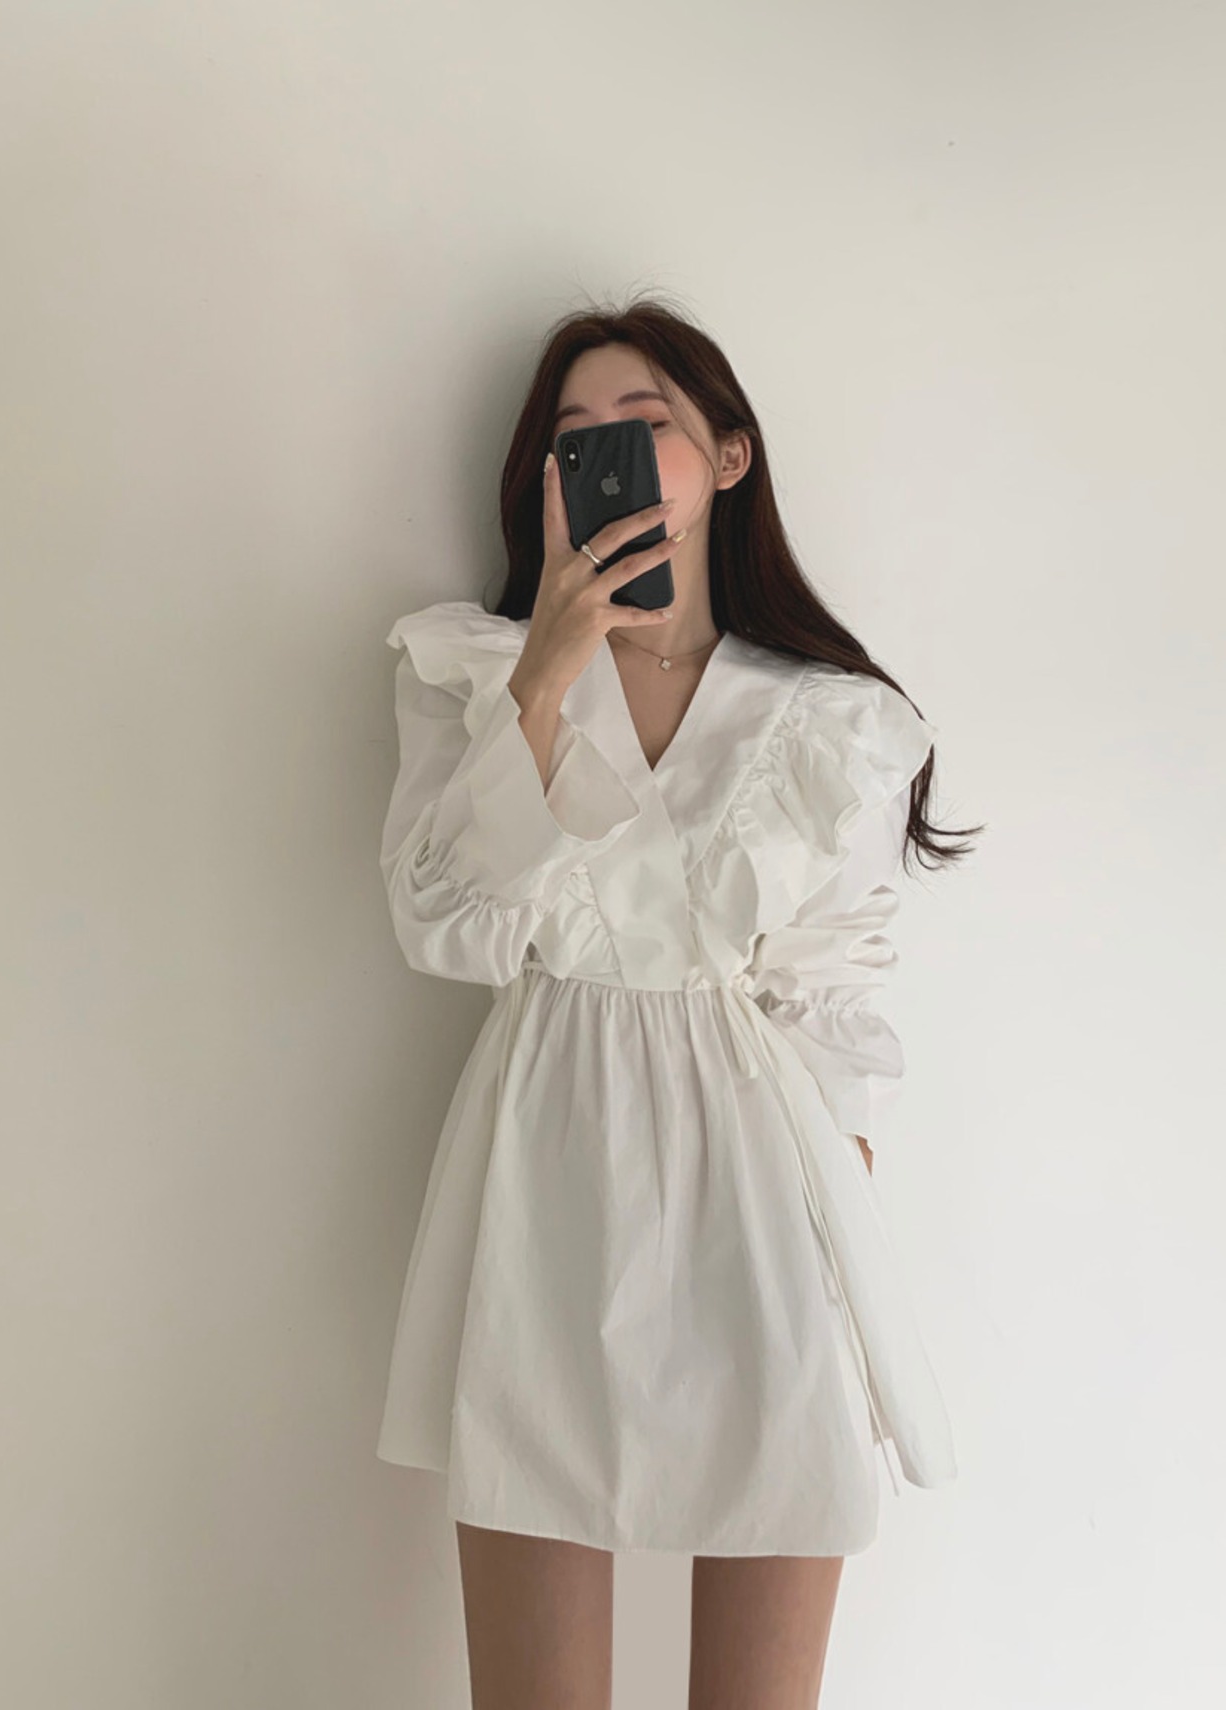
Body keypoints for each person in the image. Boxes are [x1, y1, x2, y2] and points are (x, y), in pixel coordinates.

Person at [377, 296, 983, 1710]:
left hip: (764, 1192)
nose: (609, 451)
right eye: (574, 437)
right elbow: (444, 926)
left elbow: (833, 986)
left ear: (727, 455)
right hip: (546, 1175)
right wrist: (544, 673)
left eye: (644, 423)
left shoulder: (825, 716)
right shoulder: (475, 670)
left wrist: (841, 1205)